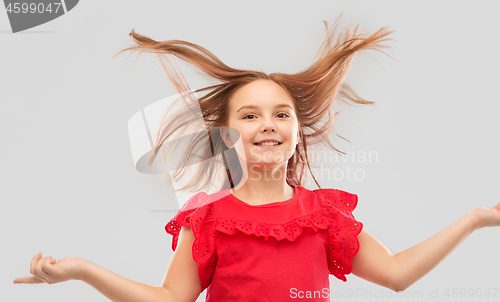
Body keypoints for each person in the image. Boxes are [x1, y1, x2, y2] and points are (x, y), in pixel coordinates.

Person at [12, 14, 500, 302]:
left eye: (280, 113)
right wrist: (81, 271)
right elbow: (169, 300)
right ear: (227, 133)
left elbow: (395, 274)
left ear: (295, 129)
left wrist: (476, 219)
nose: (267, 123)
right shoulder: (206, 220)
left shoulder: (324, 216)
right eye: (249, 115)